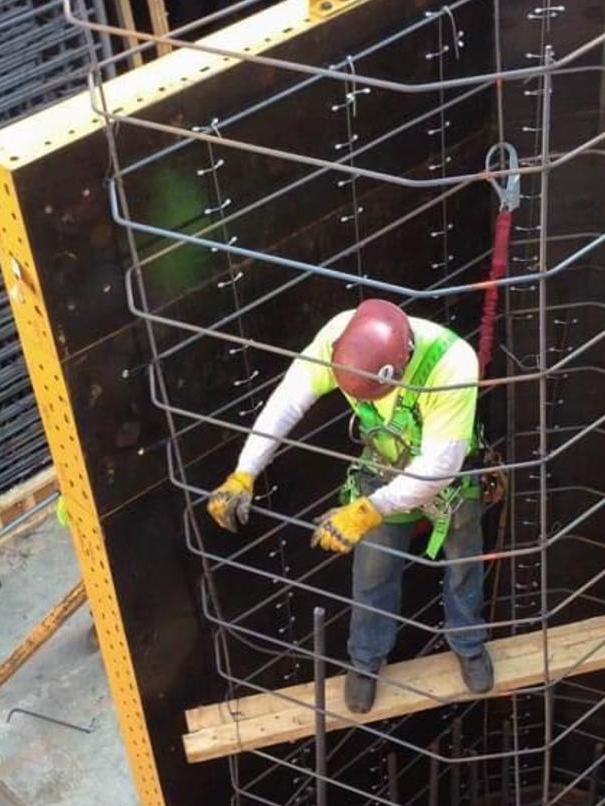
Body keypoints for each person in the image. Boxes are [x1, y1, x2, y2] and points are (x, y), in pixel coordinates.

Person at [206, 299, 493, 714]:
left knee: (464, 560)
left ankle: (468, 644)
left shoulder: (451, 364)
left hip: (450, 479)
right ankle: (365, 661)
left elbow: (439, 467)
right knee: (373, 571)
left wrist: (366, 511)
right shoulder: (339, 340)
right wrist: (244, 472)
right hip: (384, 466)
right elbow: (289, 400)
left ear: (403, 361)